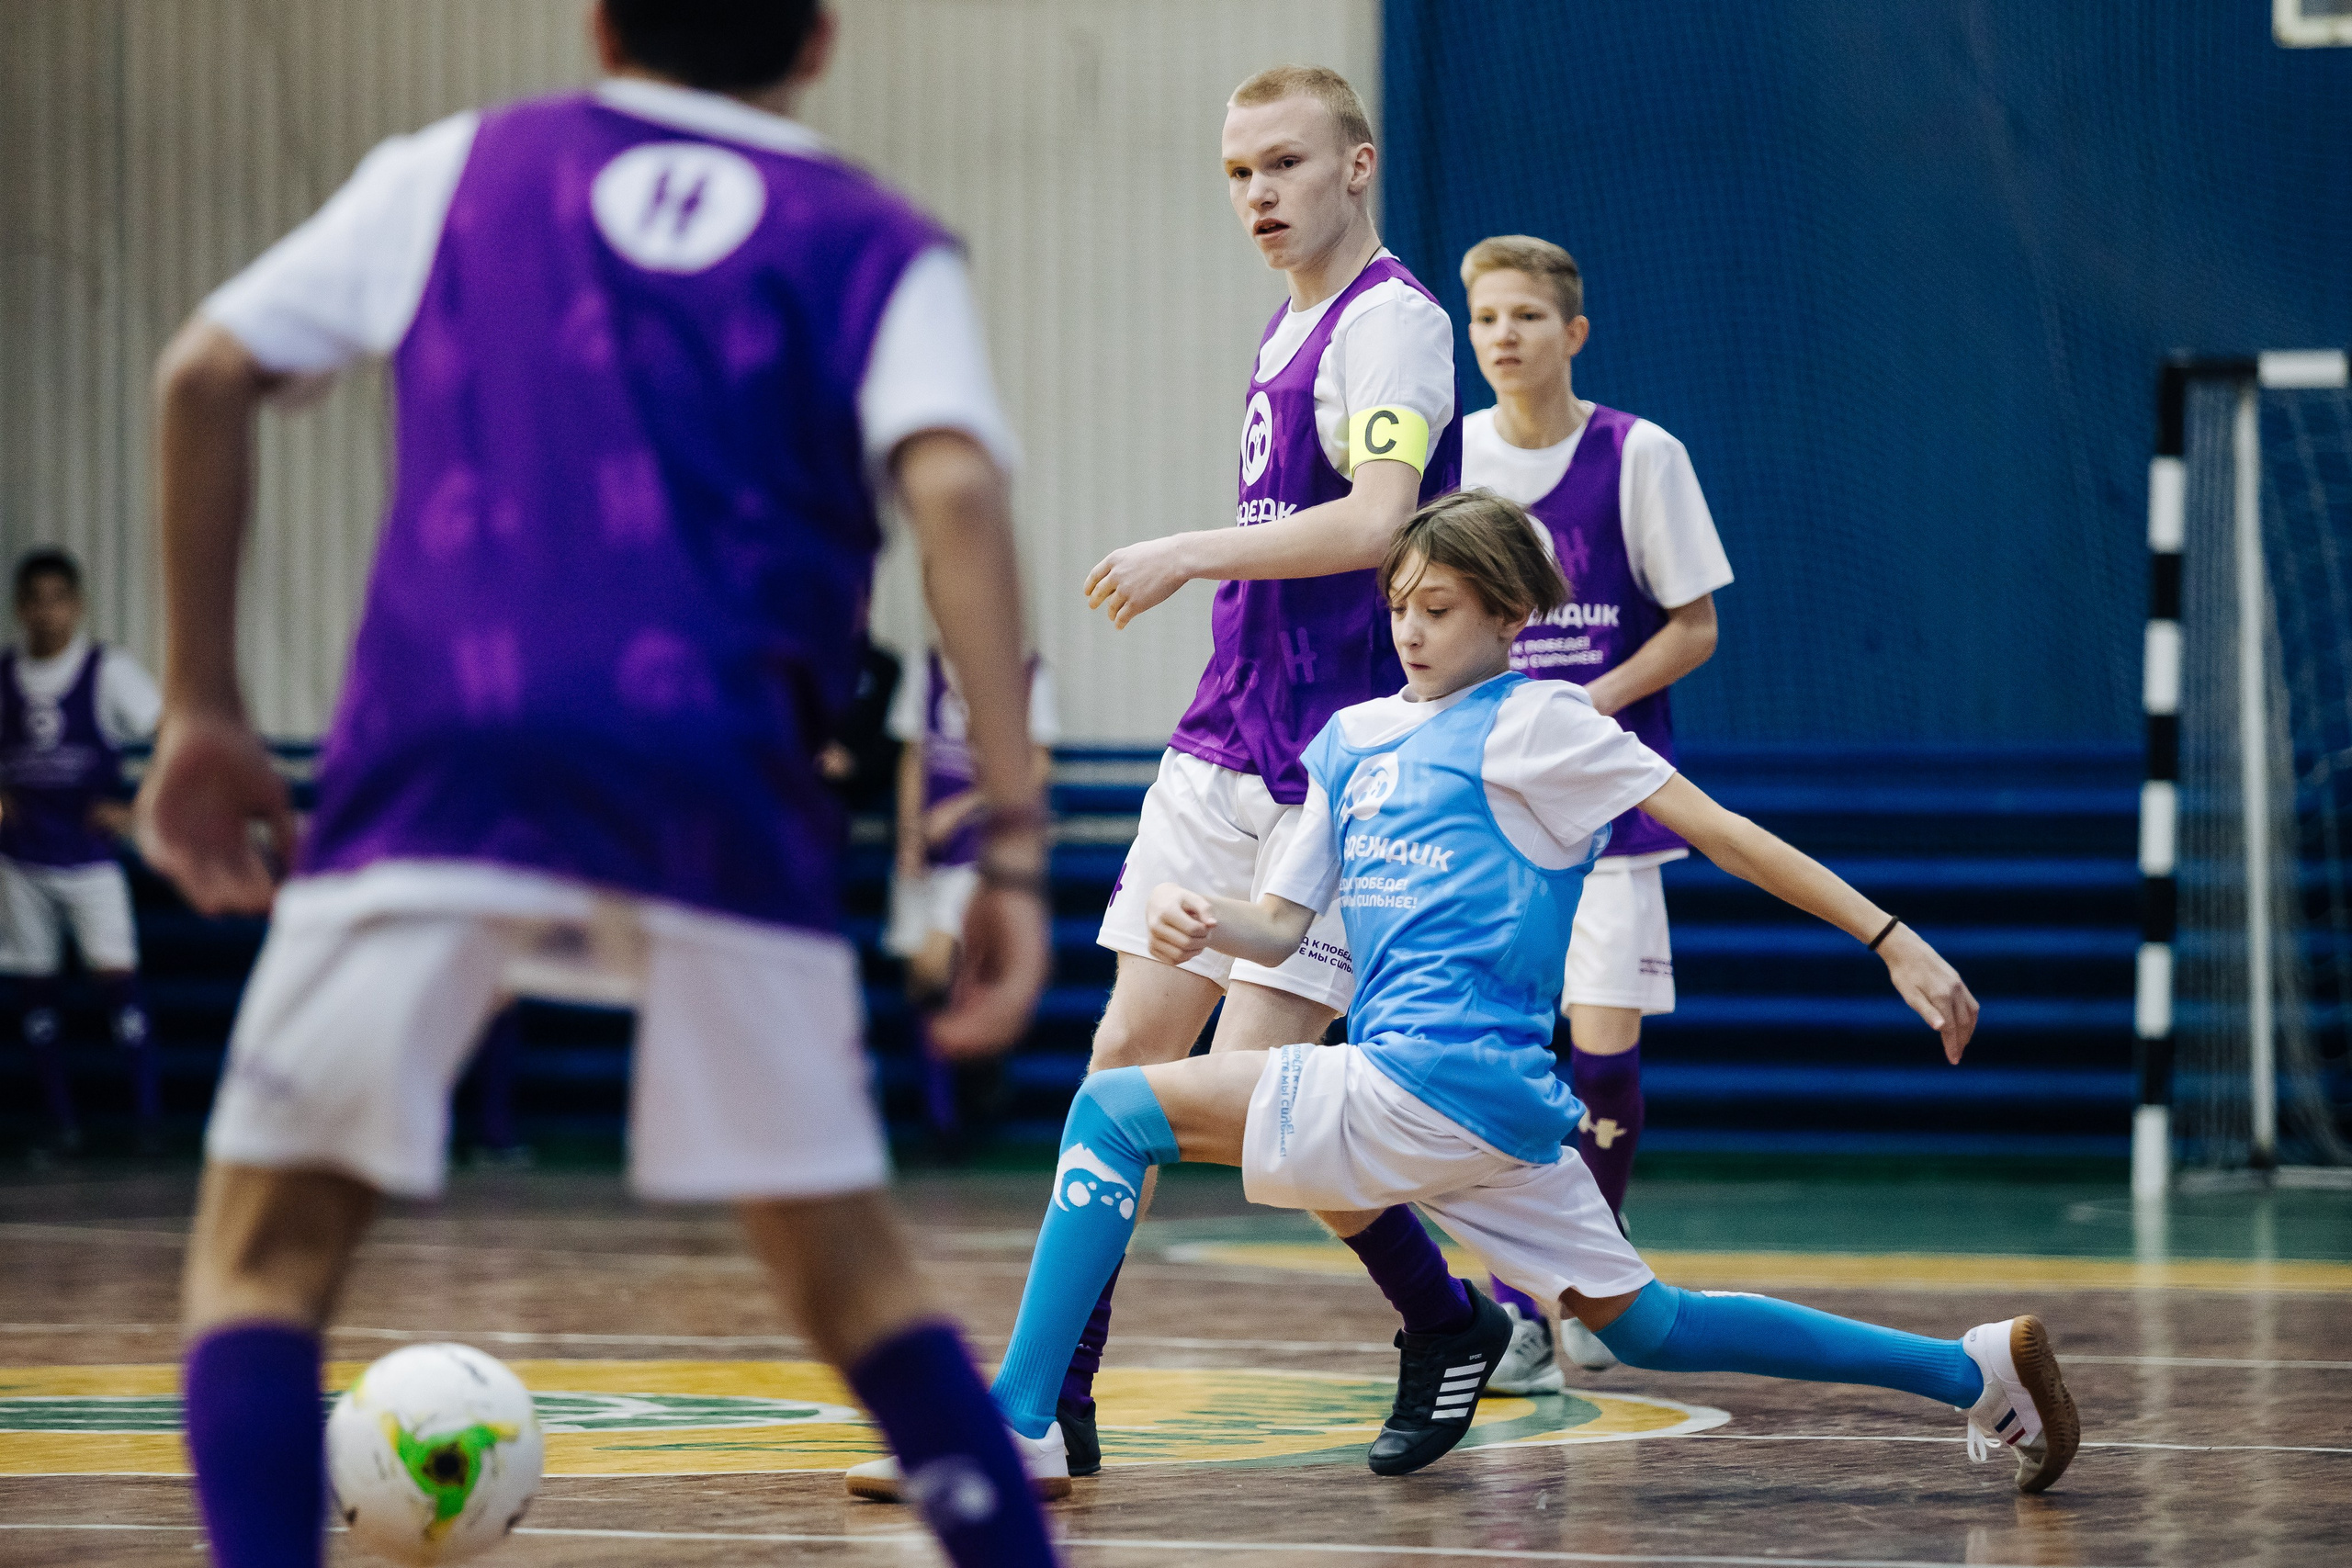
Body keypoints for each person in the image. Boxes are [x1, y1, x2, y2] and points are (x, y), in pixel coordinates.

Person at [139, 4, 1061, 1565]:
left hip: (446, 751)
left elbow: (201, 373)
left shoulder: (455, 170)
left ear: (600, 20)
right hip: (722, 779)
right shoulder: (879, 241)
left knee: (261, 1264)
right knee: (856, 1284)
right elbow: (956, 483)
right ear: (819, 43)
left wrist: (205, 704)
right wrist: (1014, 845)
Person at [854, 491, 2077, 1498]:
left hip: (1429, 1076)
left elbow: (1723, 830)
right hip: (1477, 1109)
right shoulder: (1348, 740)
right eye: (1397, 606)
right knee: (1650, 1323)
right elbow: (1282, 923)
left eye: (1439, 607)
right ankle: (1972, 1370)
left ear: (1508, 611)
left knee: (1111, 1112)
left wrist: (1890, 933)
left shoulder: (1544, 723)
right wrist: (1203, 918)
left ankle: (1017, 1418)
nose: (1411, 628)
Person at [1056, 62, 1464, 1475]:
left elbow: (1377, 519)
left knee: (1259, 1123)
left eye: (1283, 166)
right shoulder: (1291, 318)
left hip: (1328, 770)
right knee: (1121, 1059)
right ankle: (1056, 1394)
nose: (1257, 197)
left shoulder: (1396, 325)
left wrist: (1187, 548)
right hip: (1221, 736)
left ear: (1356, 166)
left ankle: (1443, 1313)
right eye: (1238, 174)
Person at [1457, 234, 1735, 1386]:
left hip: (1606, 810)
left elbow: (1695, 625)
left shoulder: (1638, 455)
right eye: (1484, 320)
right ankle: (1518, 1305)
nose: (1502, 337)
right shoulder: (1448, 459)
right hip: (1481, 809)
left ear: (1571, 333)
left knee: (1602, 1044)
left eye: (1525, 317)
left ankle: (1590, 1278)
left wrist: (1584, 704)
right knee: (1501, 1051)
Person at [1, 547, 164, 1159]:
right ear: (19, 608)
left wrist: (138, 808)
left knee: (117, 978)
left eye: (57, 600)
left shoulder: (108, 670)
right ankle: (58, 1119)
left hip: (90, 854)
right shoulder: (5, 676)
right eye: (34, 601)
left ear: (77, 606)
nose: (46, 613)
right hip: (21, 858)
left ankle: (149, 1122)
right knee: (34, 988)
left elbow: (172, 735)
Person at [888, 649, 1058, 1010]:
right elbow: (913, 758)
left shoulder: (1025, 670)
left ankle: (970, 1055)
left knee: (945, 962)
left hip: (984, 844)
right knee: (917, 973)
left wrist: (964, 808)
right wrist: (909, 838)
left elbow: (1037, 768)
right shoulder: (928, 668)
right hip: (930, 842)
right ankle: (936, 1060)